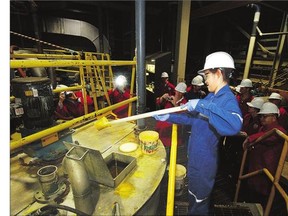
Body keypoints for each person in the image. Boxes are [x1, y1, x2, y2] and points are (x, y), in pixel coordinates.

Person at [153, 51, 243, 215]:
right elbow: (192, 120)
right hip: (195, 156)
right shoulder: (211, 97)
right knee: (193, 198)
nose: (205, 80)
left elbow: (235, 125)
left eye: (207, 75)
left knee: (199, 204)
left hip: (204, 162)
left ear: (219, 73)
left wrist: (201, 105)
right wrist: (169, 117)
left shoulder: (227, 99)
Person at [242, 102, 287, 208]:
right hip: (256, 168)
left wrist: (250, 138)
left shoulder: (279, 131)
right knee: (252, 193)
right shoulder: (263, 129)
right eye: (261, 116)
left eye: (265, 116)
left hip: (266, 171)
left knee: (261, 198)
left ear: (274, 117)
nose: (262, 118)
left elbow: (270, 136)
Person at [155, 82, 187, 147]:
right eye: (176, 91)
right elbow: (158, 102)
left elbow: (184, 117)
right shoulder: (170, 98)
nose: (176, 93)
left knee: (169, 149)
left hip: (171, 130)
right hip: (161, 127)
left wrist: (175, 105)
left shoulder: (184, 103)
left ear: (182, 93)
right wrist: (162, 98)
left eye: (178, 92)